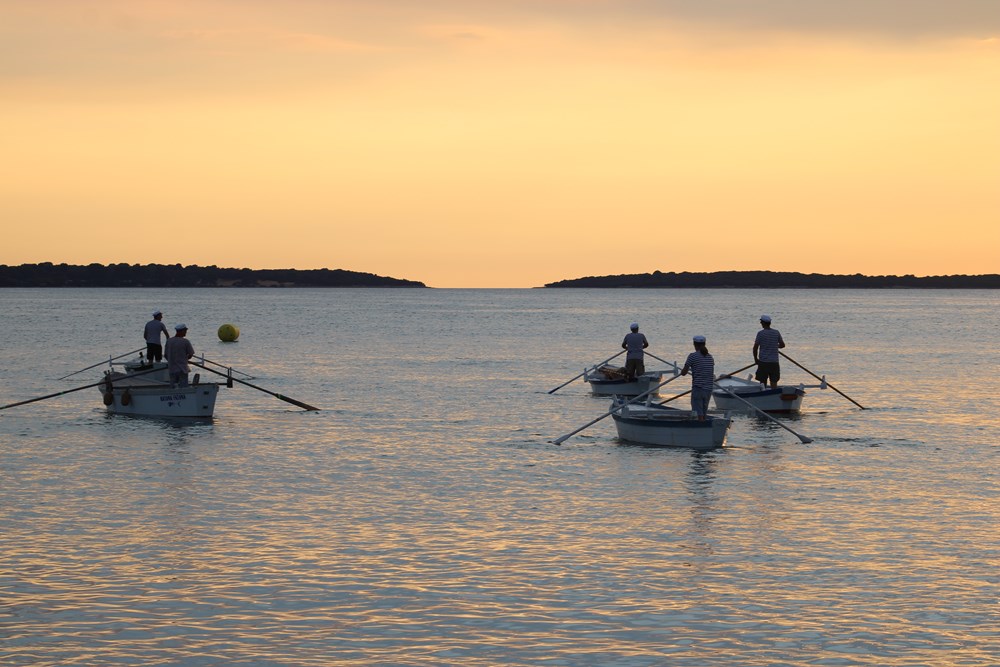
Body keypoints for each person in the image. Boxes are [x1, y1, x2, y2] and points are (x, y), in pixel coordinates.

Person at [681, 335, 715, 420]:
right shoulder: (710, 357)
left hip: (698, 388)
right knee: (703, 412)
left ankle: (700, 429)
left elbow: (684, 373)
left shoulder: (692, 356)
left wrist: (684, 371)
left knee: (697, 414)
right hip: (709, 389)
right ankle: (705, 429)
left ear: (694, 344)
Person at [753, 314, 786, 389]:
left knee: (762, 383)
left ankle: (762, 396)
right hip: (774, 362)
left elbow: (755, 348)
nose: (761, 323)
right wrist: (774, 346)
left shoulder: (760, 333)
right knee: (774, 382)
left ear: (763, 323)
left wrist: (756, 360)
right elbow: (782, 345)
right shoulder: (776, 332)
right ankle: (774, 396)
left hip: (763, 362)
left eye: (761, 322)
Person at [164, 324, 195, 388]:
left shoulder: (169, 341)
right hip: (182, 369)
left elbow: (166, 355)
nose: (186, 332)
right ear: (182, 331)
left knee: (173, 388)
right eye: (185, 331)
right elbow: (191, 354)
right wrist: (185, 359)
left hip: (172, 369)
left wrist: (171, 361)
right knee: (183, 388)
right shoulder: (185, 341)